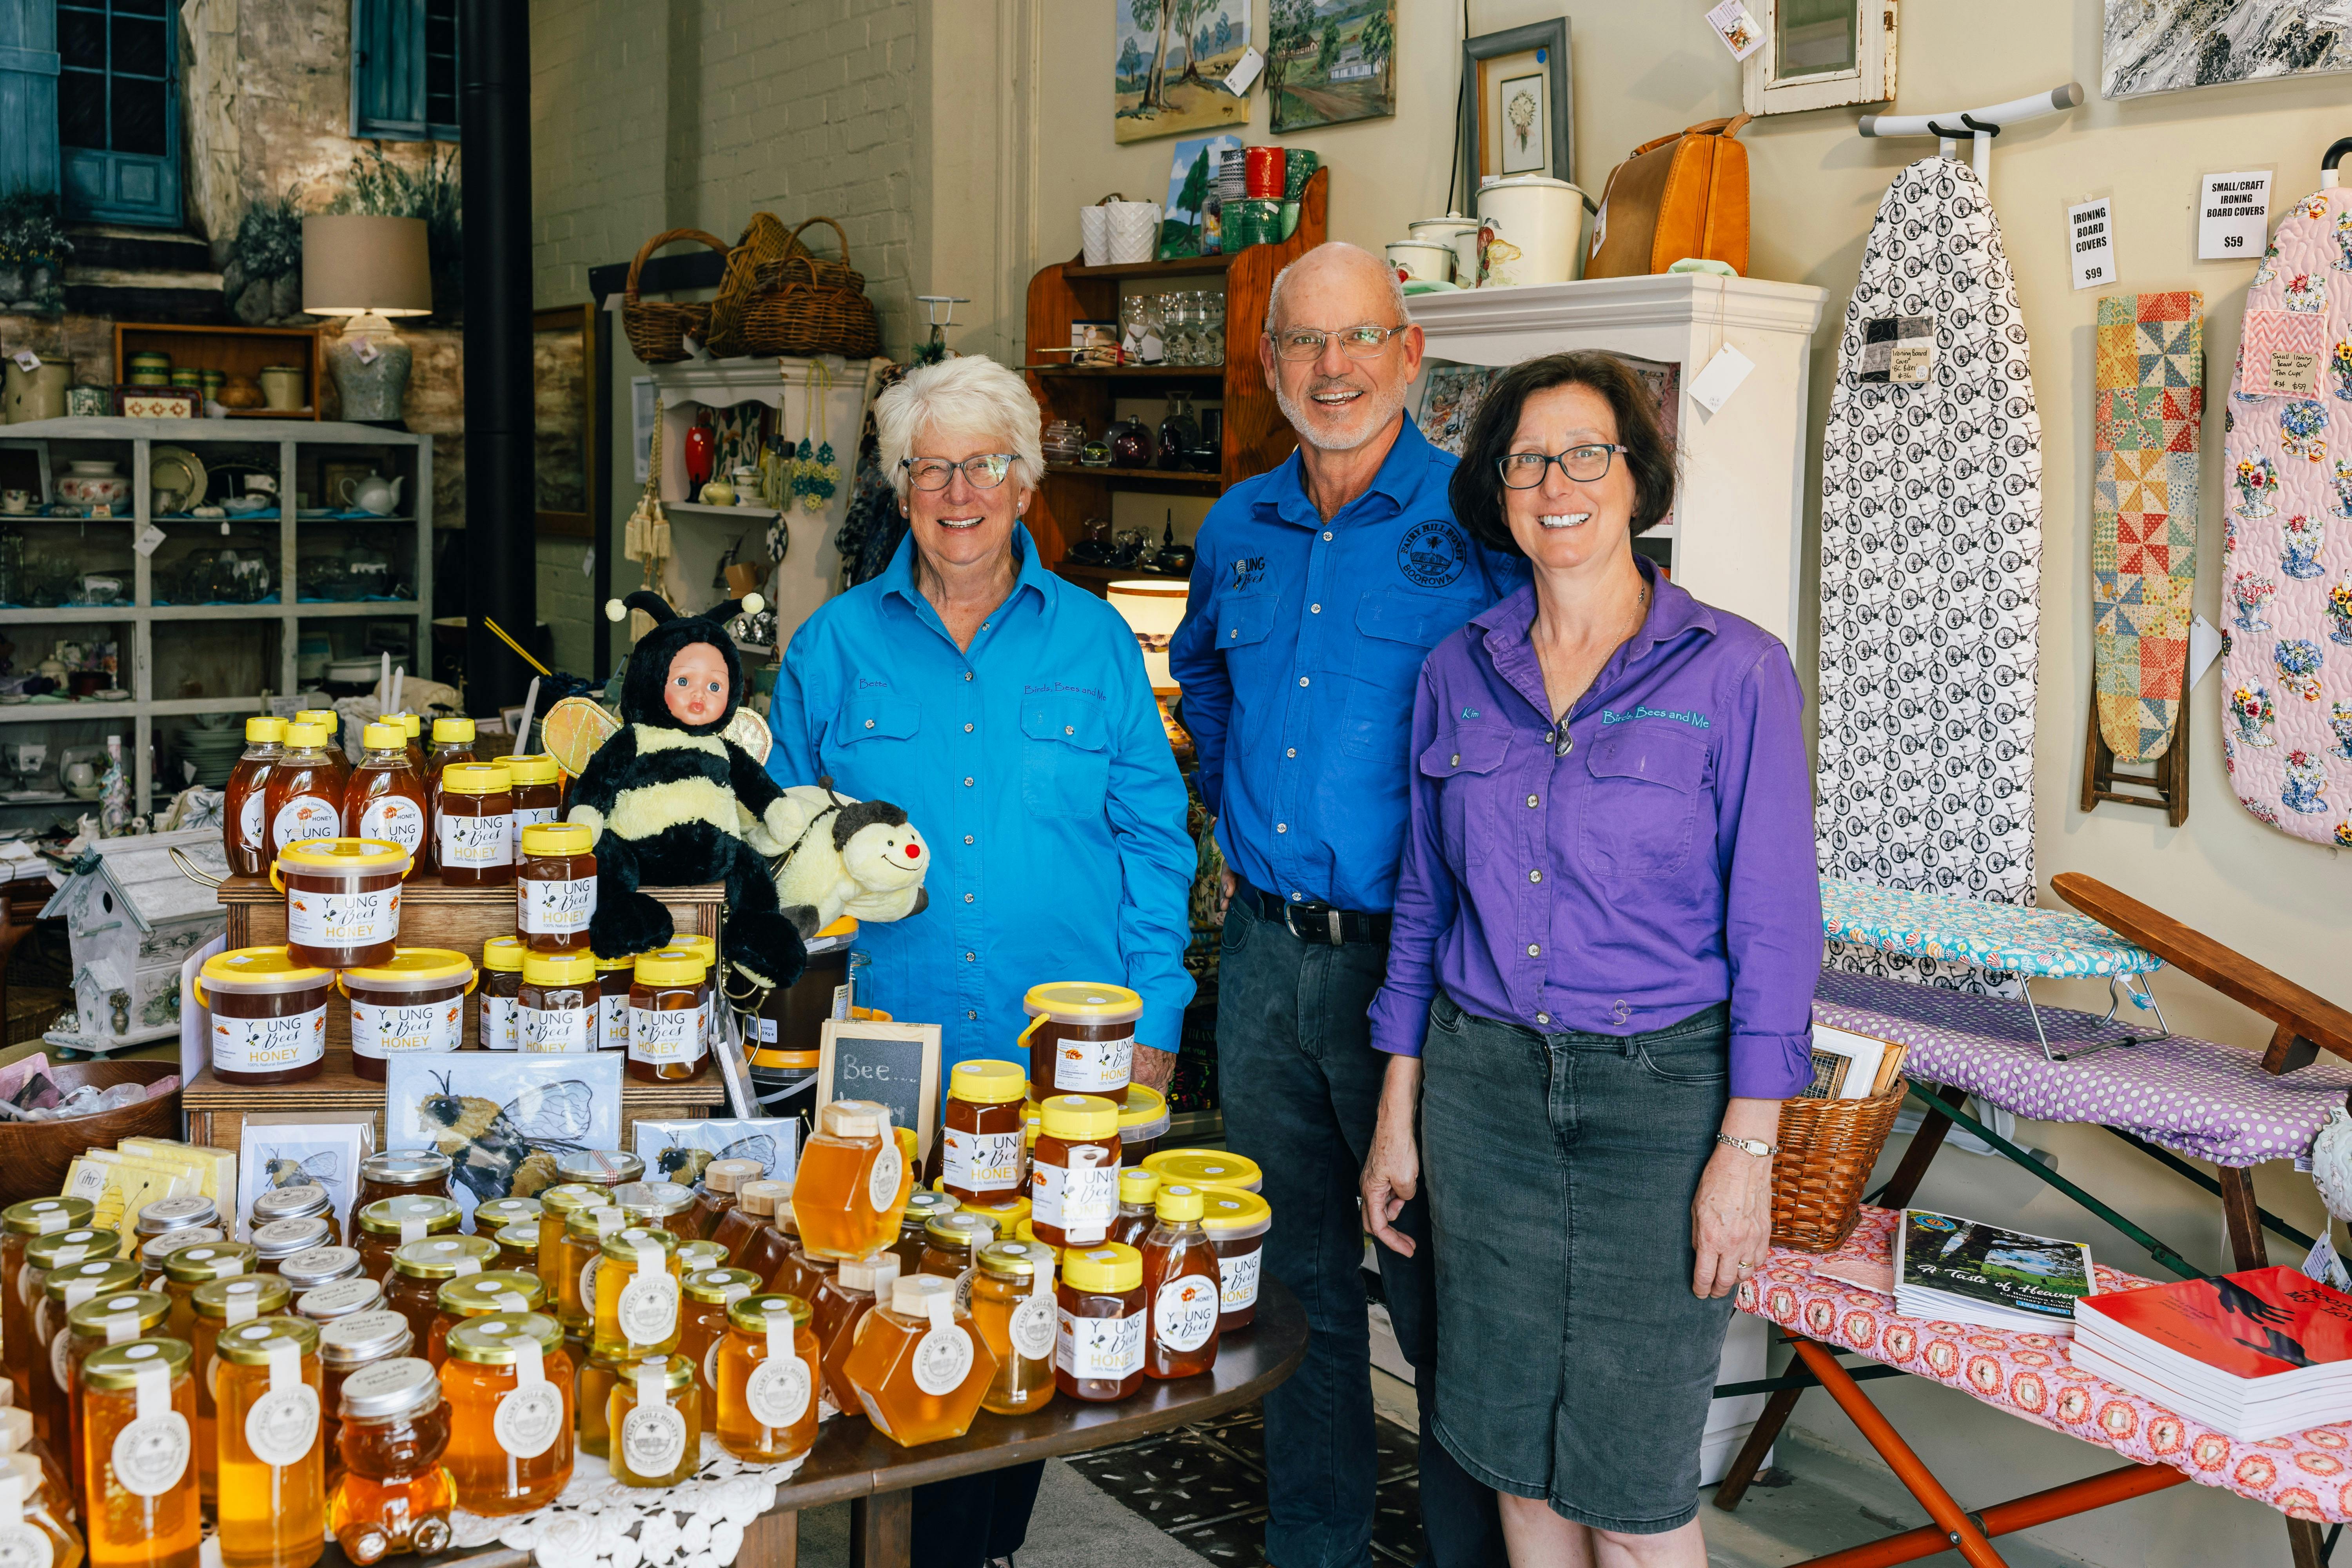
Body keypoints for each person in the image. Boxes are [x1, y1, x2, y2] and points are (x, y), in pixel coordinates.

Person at [1360, 350, 1822, 1566]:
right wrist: (1397, 1113)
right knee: (1515, 1466)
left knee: (1634, 1494)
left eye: (1586, 454)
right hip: (1483, 1100)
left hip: (1661, 1110)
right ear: (1498, 491)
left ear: (1636, 480)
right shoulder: (1458, 669)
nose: (1555, 482)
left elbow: (1775, 931)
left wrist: (1747, 1150)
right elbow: (1425, 903)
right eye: (1526, 460)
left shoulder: (1735, 670)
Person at [767, 352, 1196, 1568]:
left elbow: (1156, 843)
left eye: (986, 465)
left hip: (1058, 1057)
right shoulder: (836, 646)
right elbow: (783, 851)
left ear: (1026, 479)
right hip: (885, 1062)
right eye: (933, 469)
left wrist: (1157, 1013)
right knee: (880, 1312)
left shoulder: (1101, 644)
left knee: (1032, 1316)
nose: (961, 493)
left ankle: (982, 1549)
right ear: (903, 487)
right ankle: (901, 1547)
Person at [1167, 241, 1519, 1568]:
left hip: (1420, 974)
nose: (1333, 370)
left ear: (1409, 355)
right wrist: (1239, 798)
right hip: (1263, 960)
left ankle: (1461, 1555)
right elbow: (1201, 676)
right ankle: (1312, 1548)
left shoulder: (1480, 524)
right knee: (1291, 1285)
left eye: (1360, 338)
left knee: (1436, 1294)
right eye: (1305, 344)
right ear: (1269, 366)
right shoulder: (1237, 528)